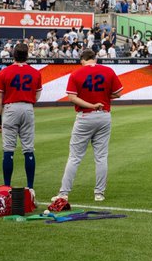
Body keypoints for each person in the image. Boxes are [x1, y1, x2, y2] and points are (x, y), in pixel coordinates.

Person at [53, 49, 124, 204]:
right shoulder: (108, 71)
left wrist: (91, 104)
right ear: (95, 58)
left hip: (85, 116)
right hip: (104, 115)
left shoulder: (76, 74)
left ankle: (63, 194)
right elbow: (118, 93)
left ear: (82, 60)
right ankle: (99, 193)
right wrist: (103, 98)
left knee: (75, 157)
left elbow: (72, 97)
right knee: (101, 157)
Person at [0, 43, 41, 192]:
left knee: (8, 150)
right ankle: (31, 188)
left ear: (13, 55)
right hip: (27, 107)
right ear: (27, 55)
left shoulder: (4, 72)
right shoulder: (35, 72)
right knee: (28, 149)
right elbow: (37, 96)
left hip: (10, 108)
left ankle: (7, 186)